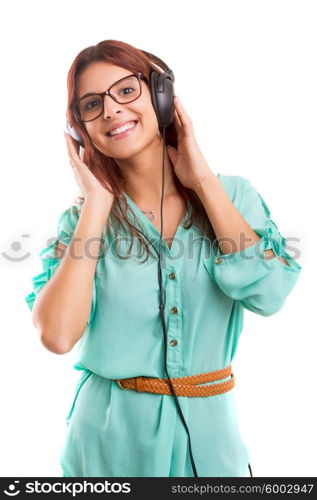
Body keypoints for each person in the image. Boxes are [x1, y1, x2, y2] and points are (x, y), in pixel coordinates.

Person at [24, 39, 302, 477]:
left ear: (161, 95)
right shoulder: (79, 224)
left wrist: (203, 182)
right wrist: (97, 205)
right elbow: (57, 336)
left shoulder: (233, 196)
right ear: (80, 129)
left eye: (126, 91)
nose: (112, 110)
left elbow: (269, 295)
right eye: (92, 105)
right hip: (106, 449)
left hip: (214, 450)